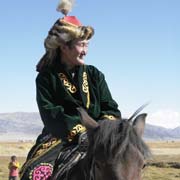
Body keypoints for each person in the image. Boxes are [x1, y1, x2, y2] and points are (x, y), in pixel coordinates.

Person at [20, 1, 121, 180]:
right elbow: (50, 113)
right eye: (81, 45)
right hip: (60, 136)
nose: (85, 51)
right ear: (64, 47)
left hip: (99, 135)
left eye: (87, 45)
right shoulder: (46, 77)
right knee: (34, 173)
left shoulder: (95, 75)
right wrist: (79, 130)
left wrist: (101, 130)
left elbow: (110, 107)